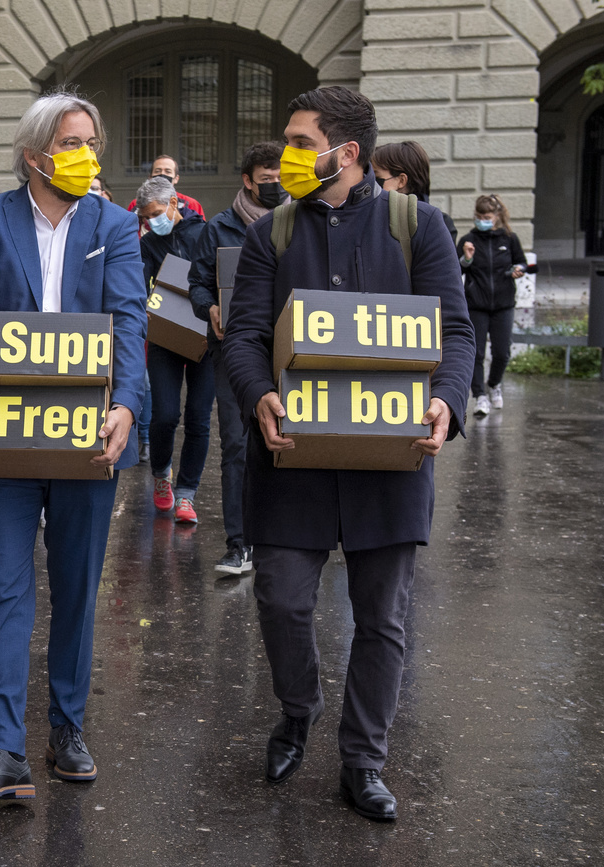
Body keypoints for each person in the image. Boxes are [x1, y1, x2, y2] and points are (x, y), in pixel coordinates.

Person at [223, 86, 474, 822]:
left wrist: (448, 402)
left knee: (383, 620)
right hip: (291, 458)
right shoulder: (271, 232)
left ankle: (364, 759)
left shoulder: (417, 226)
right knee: (282, 599)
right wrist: (258, 393)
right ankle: (298, 709)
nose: (285, 159)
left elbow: (455, 333)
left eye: (300, 144)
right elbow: (241, 336)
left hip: (389, 462)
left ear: (347, 153)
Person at [0, 90, 147, 799]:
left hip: (89, 434)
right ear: (33, 156)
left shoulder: (115, 225)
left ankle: (66, 726)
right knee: (6, 587)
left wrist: (126, 405)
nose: (84, 153)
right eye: (69, 143)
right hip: (5, 434)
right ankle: (1, 749)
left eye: (90, 140)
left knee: (77, 586)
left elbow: (128, 324)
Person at [185, 141, 286, 574]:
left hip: (285, 351)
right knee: (237, 443)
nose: (276, 186)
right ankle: (239, 543)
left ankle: (284, 539)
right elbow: (198, 283)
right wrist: (208, 308)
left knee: (284, 438)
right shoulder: (220, 227)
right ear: (247, 181)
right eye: (266, 180)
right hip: (230, 349)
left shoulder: (299, 220)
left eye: (281, 179)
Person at [136, 174, 210, 524]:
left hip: (206, 337)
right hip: (165, 337)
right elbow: (139, 286)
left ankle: (186, 494)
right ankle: (161, 473)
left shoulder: (206, 235)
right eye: (146, 217)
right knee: (165, 414)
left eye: (156, 213)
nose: (152, 221)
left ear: (174, 204)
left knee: (199, 418)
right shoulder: (148, 243)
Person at [457, 194, 526, 417]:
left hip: (503, 304)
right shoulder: (469, 240)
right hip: (477, 304)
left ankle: (494, 384)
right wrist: (466, 258)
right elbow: (457, 271)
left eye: (486, 216)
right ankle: (479, 396)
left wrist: (519, 270)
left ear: (496, 217)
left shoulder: (509, 239)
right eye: (478, 216)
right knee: (475, 353)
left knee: (502, 352)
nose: (482, 220)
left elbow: (522, 262)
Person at [372, 141, 457, 240]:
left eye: (376, 177)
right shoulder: (372, 217)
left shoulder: (437, 223)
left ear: (401, 180)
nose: (370, 183)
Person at [126, 155, 205, 216]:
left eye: (168, 171)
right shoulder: (136, 204)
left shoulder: (191, 204)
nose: (162, 174)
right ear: (150, 177)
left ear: (176, 178)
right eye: (157, 171)